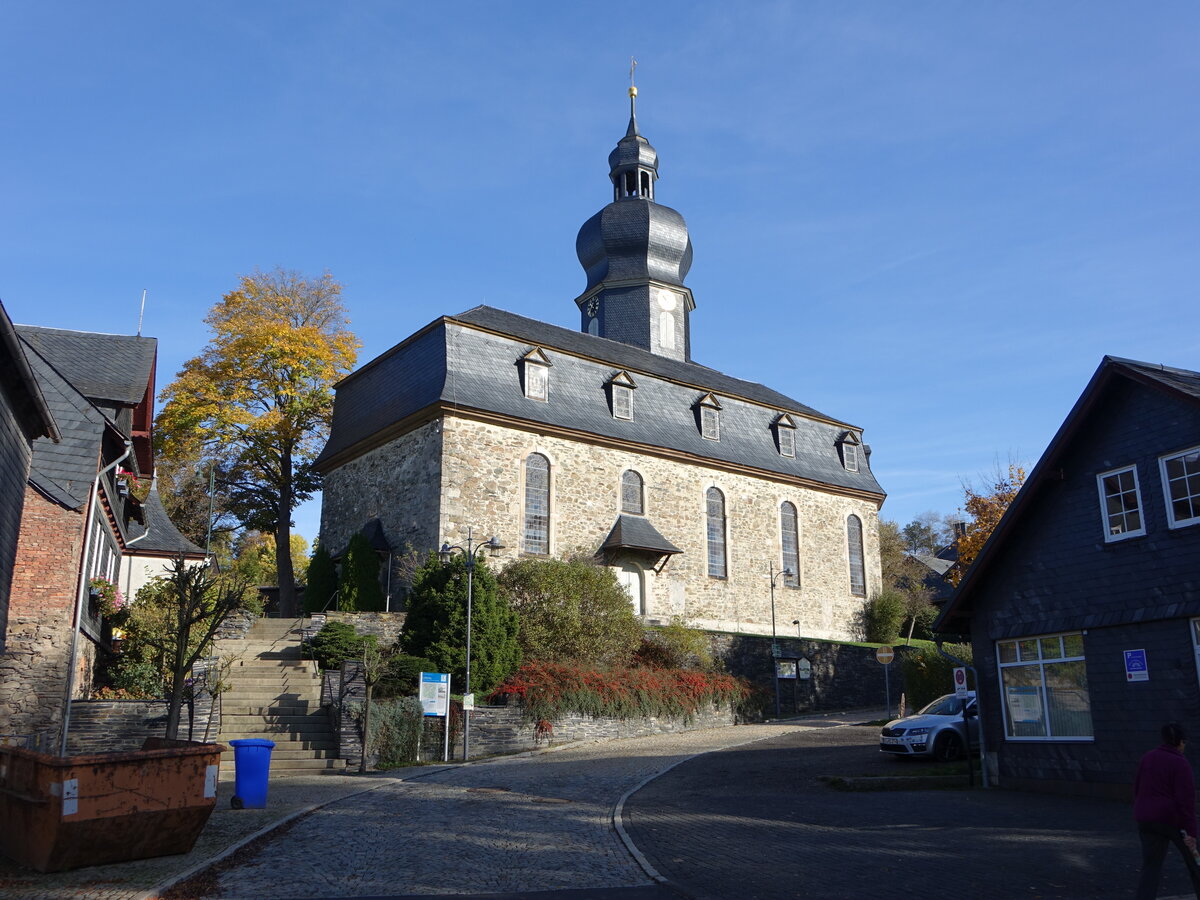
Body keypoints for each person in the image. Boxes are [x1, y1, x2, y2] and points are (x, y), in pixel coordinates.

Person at [1135, 722, 1200, 899]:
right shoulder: (1180, 763)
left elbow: (1138, 788)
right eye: (1184, 742)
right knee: (1195, 861)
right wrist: (1192, 833)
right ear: (1180, 742)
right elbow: (1186, 802)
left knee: (1151, 867)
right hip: (1172, 820)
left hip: (1146, 819)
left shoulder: (1147, 758)